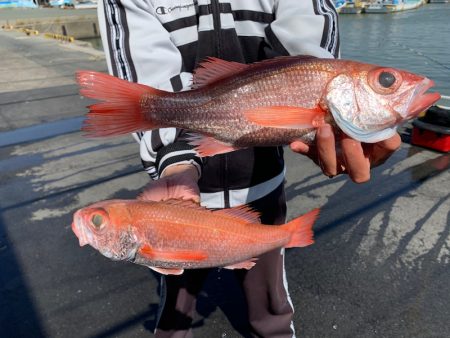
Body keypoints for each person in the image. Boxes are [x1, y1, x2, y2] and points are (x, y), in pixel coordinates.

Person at [97, 1, 401, 336]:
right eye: (386, 81)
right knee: (176, 306)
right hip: (175, 206)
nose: (391, 85)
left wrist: (345, 126)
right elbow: (144, 60)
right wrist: (174, 159)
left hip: (261, 189)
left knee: (271, 309)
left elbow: (307, 56)